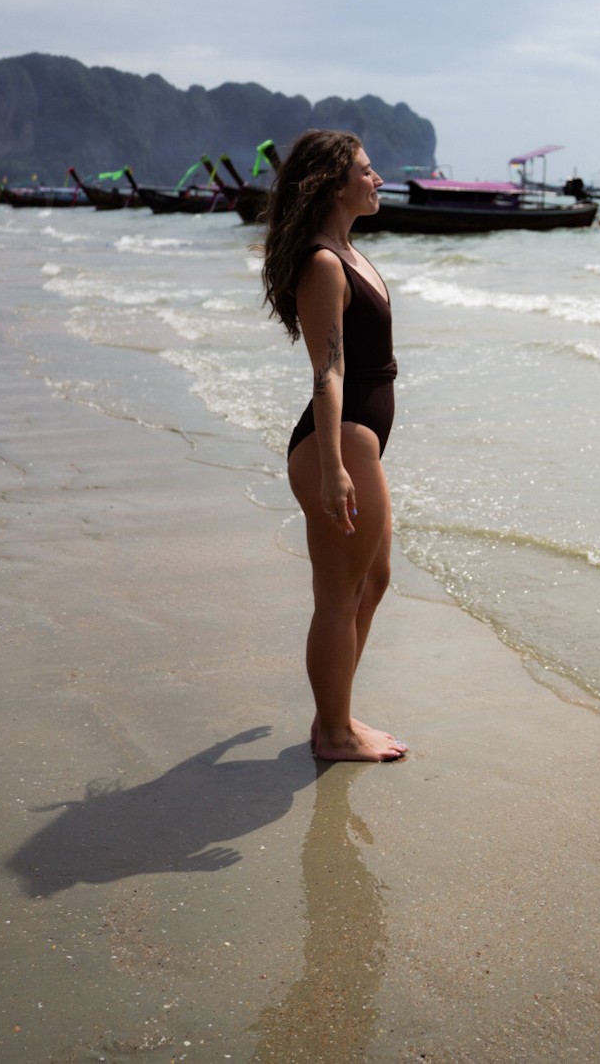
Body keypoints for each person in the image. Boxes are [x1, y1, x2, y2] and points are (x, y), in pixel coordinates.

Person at [262, 130, 406, 762]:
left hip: (358, 444)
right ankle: (335, 733)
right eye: (367, 171)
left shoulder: (349, 251)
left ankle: (335, 715)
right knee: (338, 593)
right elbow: (328, 373)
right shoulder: (324, 263)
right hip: (338, 447)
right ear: (333, 184)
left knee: (373, 581)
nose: (378, 180)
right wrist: (332, 471)